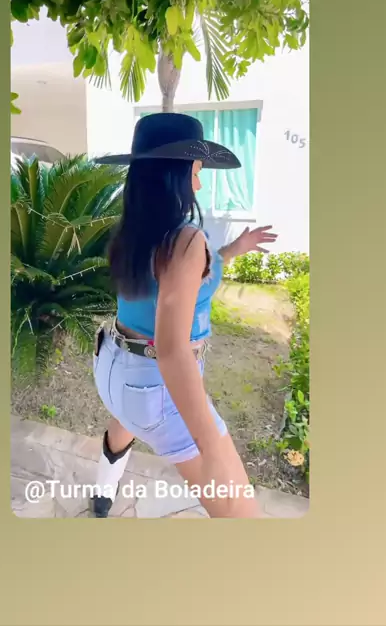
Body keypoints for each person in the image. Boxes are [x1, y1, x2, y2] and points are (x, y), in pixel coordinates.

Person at [91, 113, 277, 518]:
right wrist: (211, 449)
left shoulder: (133, 231)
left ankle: (101, 493)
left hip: (113, 368)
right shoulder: (185, 239)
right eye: (196, 171)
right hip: (153, 384)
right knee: (241, 513)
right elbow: (173, 349)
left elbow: (185, 276)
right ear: (177, 174)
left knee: (126, 421)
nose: (199, 183)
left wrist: (235, 249)